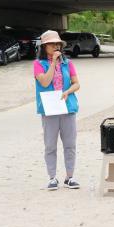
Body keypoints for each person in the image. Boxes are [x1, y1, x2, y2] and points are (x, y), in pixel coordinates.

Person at [34, 30, 80, 191]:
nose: (56, 46)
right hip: (49, 108)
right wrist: (53, 63)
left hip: (68, 107)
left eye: (57, 44)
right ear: (44, 47)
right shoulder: (38, 64)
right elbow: (45, 82)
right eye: (52, 44)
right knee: (50, 145)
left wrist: (68, 92)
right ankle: (52, 177)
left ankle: (70, 177)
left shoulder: (68, 63)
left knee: (70, 144)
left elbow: (76, 83)